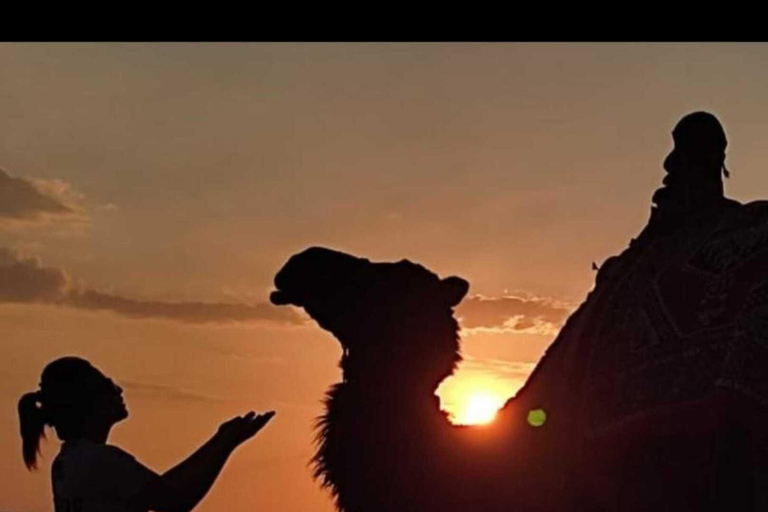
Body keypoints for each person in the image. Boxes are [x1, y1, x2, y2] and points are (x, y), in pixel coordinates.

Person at [18, 356, 275, 512]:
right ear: (87, 402)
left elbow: (162, 488)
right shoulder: (99, 460)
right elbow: (176, 499)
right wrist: (225, 443)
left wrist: (221, 440)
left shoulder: (70, 461)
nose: (118, 390)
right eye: (107, 385)